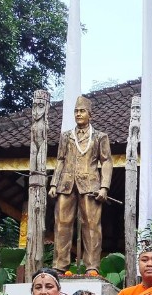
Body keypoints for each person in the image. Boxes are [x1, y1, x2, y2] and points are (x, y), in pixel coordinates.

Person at [49, 95, 114, 275]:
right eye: (76, 111)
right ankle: (60, 266)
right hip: (66, 184)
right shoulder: (66, 136)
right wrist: (54, 183)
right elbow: (60, 160)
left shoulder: (100, 137)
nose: (78, 114)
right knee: (62, 223)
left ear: (90, 114)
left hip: (90, 184)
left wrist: (104, 187)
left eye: (82, 111)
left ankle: (92, 266)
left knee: (91, 225)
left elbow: (107, 161)